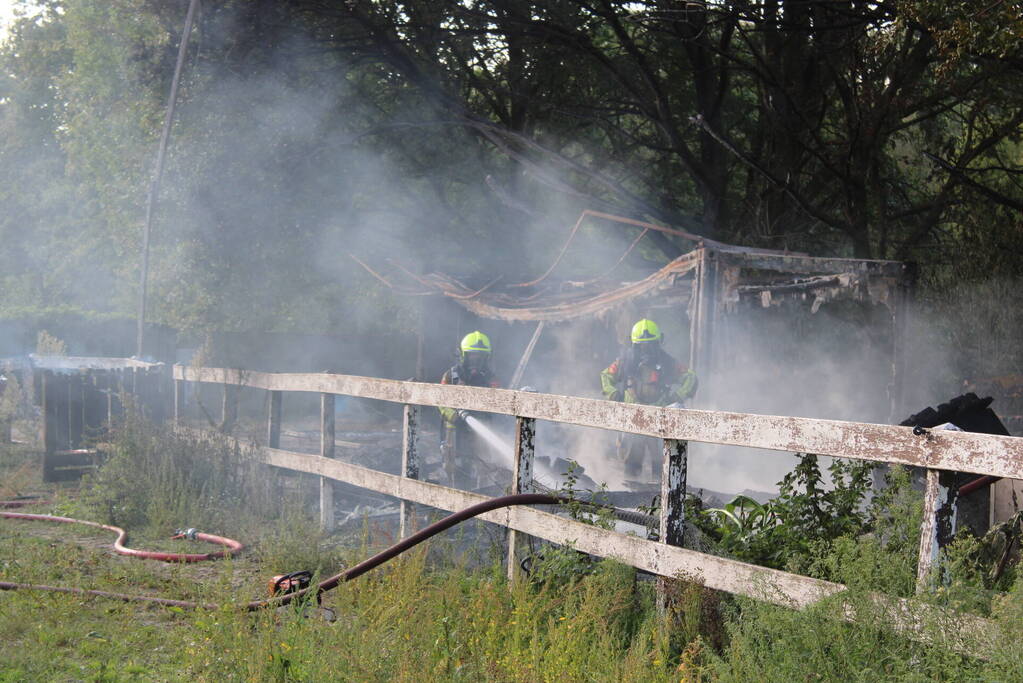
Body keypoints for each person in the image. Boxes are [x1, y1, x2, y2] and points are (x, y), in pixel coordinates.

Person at [600, 318, 698, 478]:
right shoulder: (624, 362)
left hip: (659, 418)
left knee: (662, 462)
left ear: (659, 342)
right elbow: (606, 376)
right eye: (642, 346)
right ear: (634, 345)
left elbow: (690, 378)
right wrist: (612, 392)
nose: (646, 350)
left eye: (651, 345)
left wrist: (677, 396)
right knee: (631, 461)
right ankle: (629, 492)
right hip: (633, 417)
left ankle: (658, 496)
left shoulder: (668, 363)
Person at [438, 331, 500, 486]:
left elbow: (496, 402)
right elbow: (439, 400)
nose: (476, 360)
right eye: (472, 355)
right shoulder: (451, 376)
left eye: (480, 357)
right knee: (453, 467)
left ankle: (482, 500)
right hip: (454, 432)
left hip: (481, 432)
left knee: (483, 467)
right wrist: (453, 415)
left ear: (487, 358)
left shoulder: (491, 379)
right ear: (463, 355)